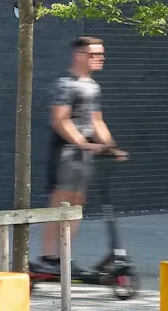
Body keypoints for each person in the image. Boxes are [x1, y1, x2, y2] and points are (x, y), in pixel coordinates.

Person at [40, 36, 125, 265]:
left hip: (83, 152)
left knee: (77, 202)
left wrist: (110, 147)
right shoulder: (65, 84)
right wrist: (82, 142)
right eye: (95, 54)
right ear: (79, 55)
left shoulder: (92, 86)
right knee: (60, 202)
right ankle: (49, 256)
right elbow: (60, 120)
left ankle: (64, 255)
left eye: (102, 54)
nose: (100, 58)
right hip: (65, 151)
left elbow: (96, 121)